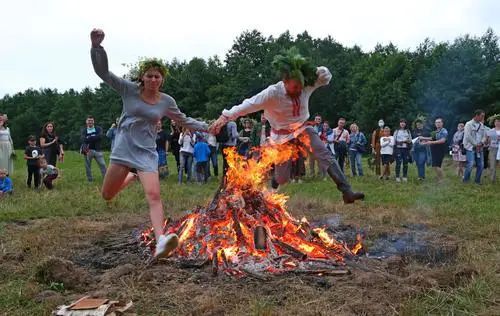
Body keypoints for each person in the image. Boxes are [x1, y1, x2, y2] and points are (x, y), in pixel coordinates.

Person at [90, 28, 207, 258]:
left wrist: (207, 126)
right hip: (123, 149)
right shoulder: (128, 90)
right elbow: (103, 72)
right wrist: (96, 47)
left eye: (157, 76)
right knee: (107, 195)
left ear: (162, 79)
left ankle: (161, 239)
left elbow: (183, 120)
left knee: (154, 195)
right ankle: (131, 177)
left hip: (146, 152)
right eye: (149, 75)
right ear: (142, 77)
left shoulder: (166, 101)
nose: (153, 79)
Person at [209, 48, 363, 203]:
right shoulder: (272, 93)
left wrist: (314, 71)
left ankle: (346, 191)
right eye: (294, 87)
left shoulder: (305, 84)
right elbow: (248, 104)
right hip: (280, 137)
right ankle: (275, 185)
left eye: (300, 87)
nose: (298, 90)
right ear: (285, 81)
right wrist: (224, 117)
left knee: (322, 151)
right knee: (282, 178)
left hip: (302, 129)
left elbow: (326, 77)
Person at [420, 118, 448, 182]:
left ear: (442, 123)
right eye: (436, 122)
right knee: (434, 165)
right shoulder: (436, 131)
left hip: (440, 149)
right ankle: (439, 178)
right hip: (434, 149)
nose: (437, 124)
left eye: (439, 122)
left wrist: (431, 142)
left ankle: (441, 179)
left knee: (437, 165)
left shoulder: (444, 131)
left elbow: (442, 140)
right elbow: (432, 138)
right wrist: (423, 138)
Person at [463, 110, 487, 184]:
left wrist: (481, 143)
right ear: (476, 115)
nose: (483, 117)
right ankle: (466, 180)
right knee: (470, 164)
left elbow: (484, 136)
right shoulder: (468, 124)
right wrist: (475, 144)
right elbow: (468, 136)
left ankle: (477, 181)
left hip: (480, 147)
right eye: (482, 116)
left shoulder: (482, 125)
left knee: (481, 165)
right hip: (471, 147)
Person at [80, 115, 107, 182]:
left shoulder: (98, 129)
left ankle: (106, 179)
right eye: (89, 120)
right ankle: (90, 180)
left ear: (94, 121)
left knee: (103, 165)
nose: (90, 122)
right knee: (88, 166)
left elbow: (100, 137)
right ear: (86, 122)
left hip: (98, 150)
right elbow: (83, 139)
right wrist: (94, 137)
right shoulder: (84, 130)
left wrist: (89, 138)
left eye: (91, 120)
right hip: (87, 151)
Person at [486, 115, 500, 182]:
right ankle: (492, 179)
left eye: (499, 121)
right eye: (496, 121)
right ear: (494, 123)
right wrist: (488, 140)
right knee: (492, 164)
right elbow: (487, 140)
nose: (497, 123)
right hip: (493, 148)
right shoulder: (490, 131)